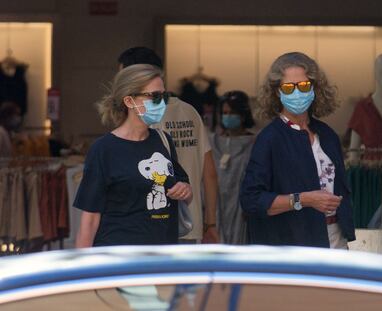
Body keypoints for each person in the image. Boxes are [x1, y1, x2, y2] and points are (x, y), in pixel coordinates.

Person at [240, 52, 355, 249]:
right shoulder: (269, 139)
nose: (297, 93)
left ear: (315, 88)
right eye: (288, 87)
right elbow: (251, 200)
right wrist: (303, 200)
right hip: (294, 244)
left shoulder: (327, 135)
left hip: (335, 238)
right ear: (277, 91)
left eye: (303, 86)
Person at [74, 64, 192, 247]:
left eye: (164, 96)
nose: (161, 103)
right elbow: (89, 218)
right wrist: (82, 269)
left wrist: (184, 189)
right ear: (129, 101)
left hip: (162, 254)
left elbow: (185, 190)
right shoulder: (104, 149)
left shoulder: (163, 141)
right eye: (154, 96)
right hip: (119, 256)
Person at [118, 47, 219, 244]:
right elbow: (210, 173)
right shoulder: (191, 112)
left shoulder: (142, 115)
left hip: (153, 225)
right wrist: (210, 223)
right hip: (190, 221)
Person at [210, 90, 255, 244]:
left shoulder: (254, 144)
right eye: (225, 113)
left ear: (243, 114)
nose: (228, 116)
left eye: (232, 112)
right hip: (216, 210)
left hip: (241, 212)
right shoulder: (213, 143)